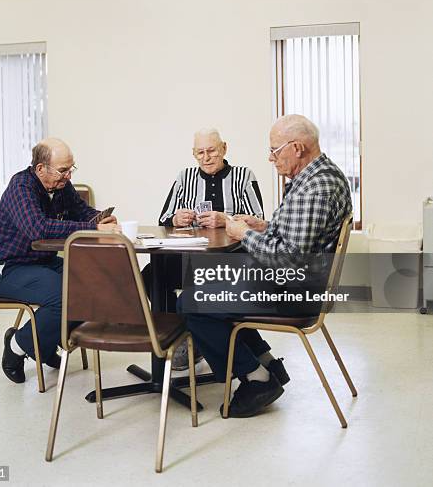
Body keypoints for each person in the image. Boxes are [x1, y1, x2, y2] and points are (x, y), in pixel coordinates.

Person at [179, 115, 352, 417]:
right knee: (210, 288)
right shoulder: (319, 176)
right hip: (305, 283)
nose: (270, 158)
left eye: (275, 150)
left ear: (297, 147)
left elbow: (289, 259)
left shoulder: (315, 188)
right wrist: (262, 226)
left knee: (191, 302)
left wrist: (242, 234)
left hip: (297, 292)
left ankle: (255, 379)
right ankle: (266, 362)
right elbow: (300, 235)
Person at [0, 138, 119, 384]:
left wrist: (101, 220)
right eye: (63, 170)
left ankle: (45, 342)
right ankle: (16, 346)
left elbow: (82, 212)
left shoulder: (61, 185)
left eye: (70, 169)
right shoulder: (20, 187)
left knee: (95, 285)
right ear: (40, 168)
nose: (68, 176)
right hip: (5, 267)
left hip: (40, 262)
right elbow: (38, 229)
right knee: (63, 296)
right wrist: (92, 228)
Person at [148, 127, 264, 369]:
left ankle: (199, 338)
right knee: (151, 276)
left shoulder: (244, 175)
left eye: (211, 150)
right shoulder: (185, 177)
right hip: (191, 256)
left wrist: (226, 219)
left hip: (231, 260)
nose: (206, 157)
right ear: (193, 154)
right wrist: (175, 218)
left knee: (199, 287)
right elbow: (164, 216)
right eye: (199, 152)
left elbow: (258, 219)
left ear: (224, 148)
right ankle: (179, 338)